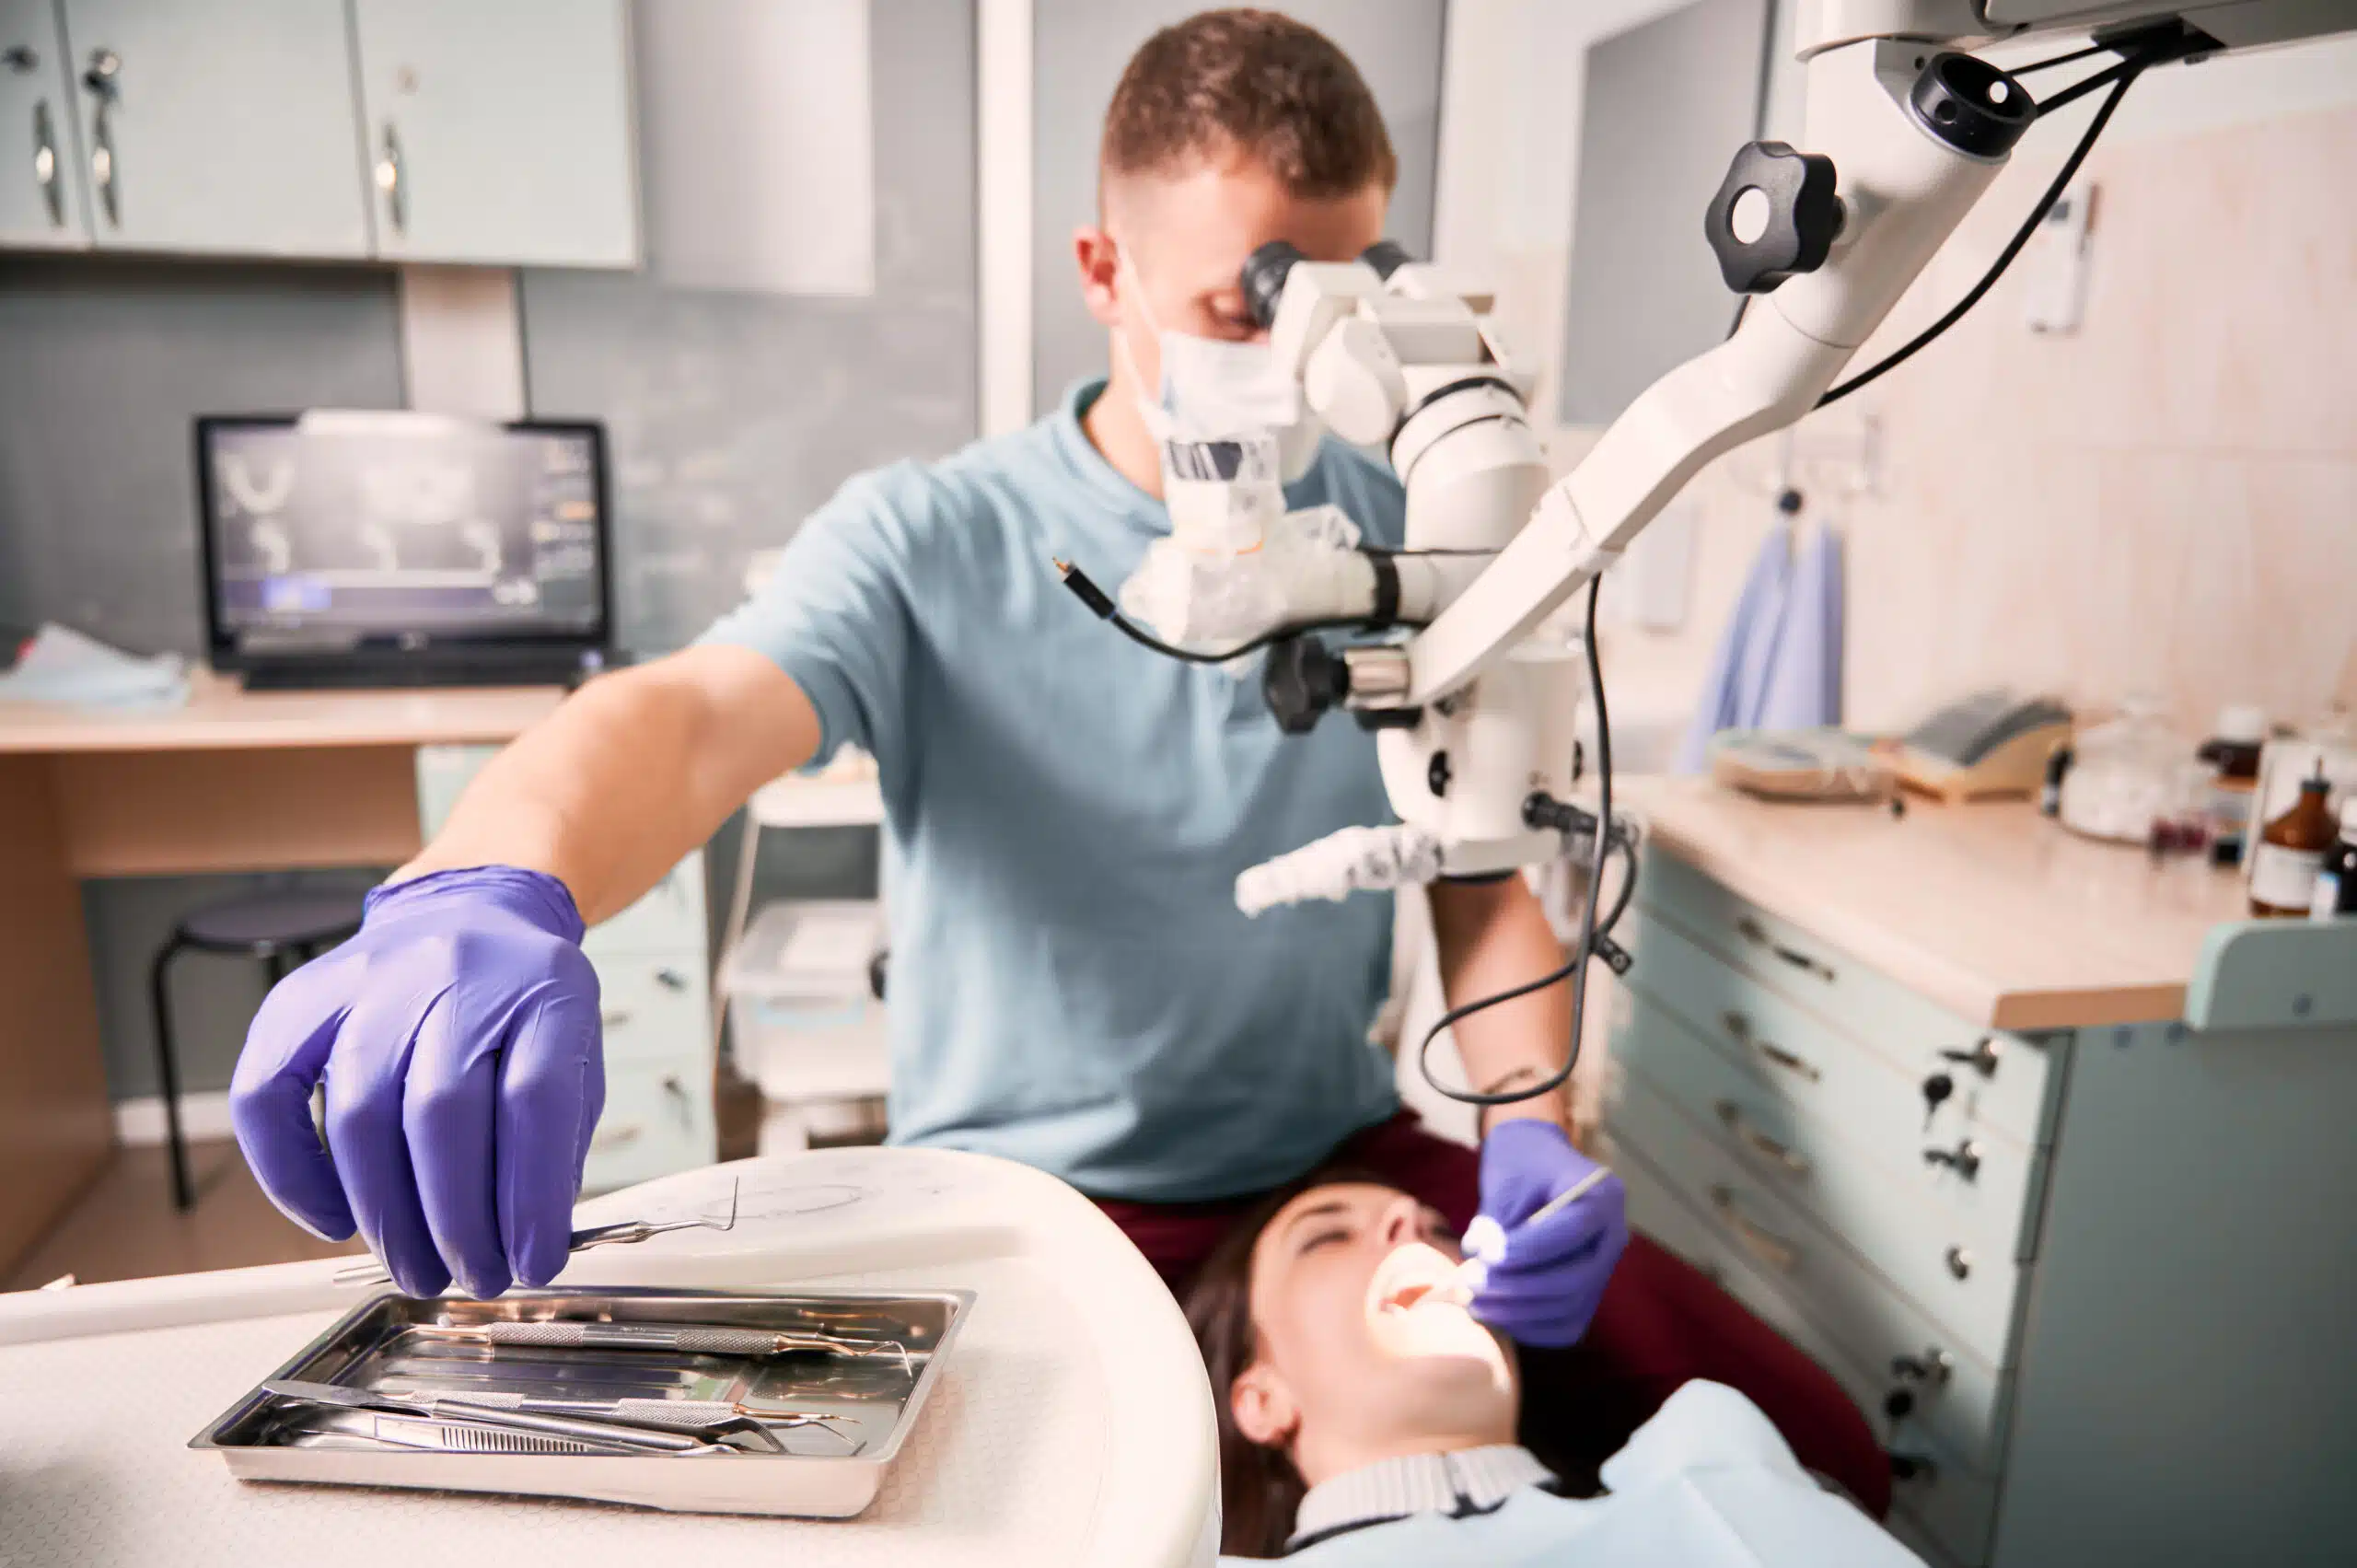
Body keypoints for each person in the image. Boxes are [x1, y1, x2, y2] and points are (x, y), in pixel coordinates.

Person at [226, 7, 1879, 1496]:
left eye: (1350, 293)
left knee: (1811, 1451)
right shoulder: (934, 536)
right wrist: (496, 878)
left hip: (1325, 1167)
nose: (1316, 356)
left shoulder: (1405, 522)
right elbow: (690, 718)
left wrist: (1534, 1121)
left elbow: (1475, 862)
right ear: (1104, 273)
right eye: (1256, 298)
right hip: (1034, 1207)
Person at [1188, 1173, 1922, 1563]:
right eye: (1326, 1239)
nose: (1411, 1224)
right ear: (1260, 1398)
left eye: (1442, 1228)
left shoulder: (1710, 1461)